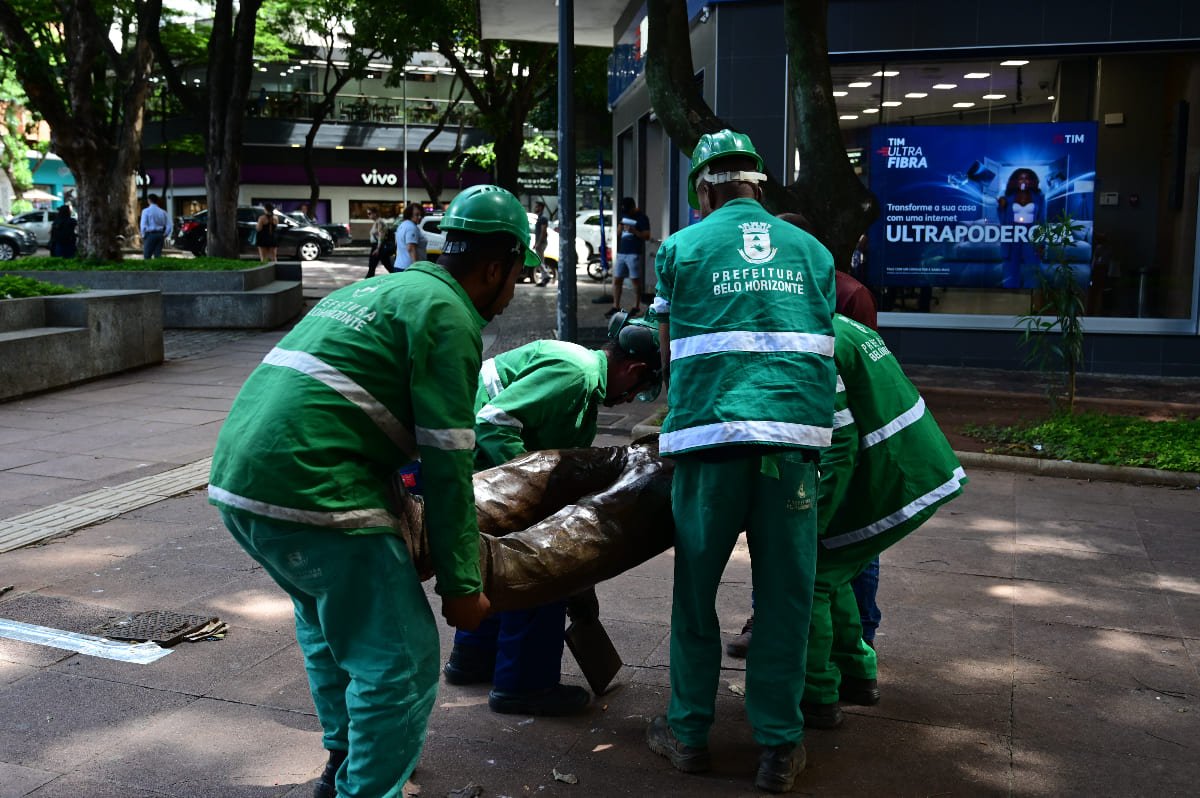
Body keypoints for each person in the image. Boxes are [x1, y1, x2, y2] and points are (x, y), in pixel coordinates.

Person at [208, 184, 538, 798]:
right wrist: (462, 586)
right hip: (315, 489)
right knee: (401, 662)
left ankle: (343, 764)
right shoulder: (448, 315)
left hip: (239, 479)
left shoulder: (379, 289)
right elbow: (447, 467)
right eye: (518, 275)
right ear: (498, 267)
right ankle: (363, 787)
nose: (515, 291)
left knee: (328, 626)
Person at [645, 129, 837, 794]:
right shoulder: (812, 251)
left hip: (711, 442)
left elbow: (668, 350)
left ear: (703, 190)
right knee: (785, 599)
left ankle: (689, 734)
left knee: (695, 595)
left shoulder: (682, 247)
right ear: (757, 182)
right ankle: (779, 748)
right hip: (791, 447)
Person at [442, 311, 663, 717]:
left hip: (468, 463)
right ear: (633, 370)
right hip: (470, 460)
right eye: (640, 389)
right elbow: (493, 423)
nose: (632, 400)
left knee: (494, 558)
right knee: (545, 565)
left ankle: (474, 658)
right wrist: (535, 498)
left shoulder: (583, 385)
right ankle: (524, 685)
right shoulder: (575, 372)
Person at [798, 314, 967, 729]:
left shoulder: (812, 340)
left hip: (893, 476)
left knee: (810, 577)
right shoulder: (839, 323)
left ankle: (816, 693)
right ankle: (856, 671)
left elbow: (840, 443)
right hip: (914, 465)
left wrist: (813, 523)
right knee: (833, 569)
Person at [726, 214, 881, 659]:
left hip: (840, 430)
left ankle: (857, 637)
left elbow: (858, 369)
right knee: (779, 536)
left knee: (849, 542)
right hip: (789, 433)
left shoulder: (849, 294)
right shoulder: (769, 286)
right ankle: (771, 621)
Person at [607, 196, 650, 318]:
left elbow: (647, 236)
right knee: (617, 279)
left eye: (628, 210)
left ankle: (636, 306)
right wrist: (620, 229)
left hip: (634, 252)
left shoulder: (642, 217)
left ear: (633, 207)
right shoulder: (624, 215)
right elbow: (618, 234)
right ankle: (616, 306)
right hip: (622, 252)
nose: (626, 212)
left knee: (635, 280)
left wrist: (634, 231)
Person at [394, 202, 427, 271]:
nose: (420, 217)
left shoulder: (402, 225)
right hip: (409, 268)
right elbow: (411, 248)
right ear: (409, 214)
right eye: (417, 214)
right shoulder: (411, 227)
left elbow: (397, 243)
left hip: (399, 265)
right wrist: (416, 267)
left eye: (421, 215)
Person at [139, 194, 172, 260]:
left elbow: (143, 224)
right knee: (158, 255)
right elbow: (169, 225)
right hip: (160, 234)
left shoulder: (146, 211)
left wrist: (143, 235)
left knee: (147, 255)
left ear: (149, 200)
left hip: (150, 234)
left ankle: (149, 267)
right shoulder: (163, 212)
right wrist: (165, 234)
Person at [365, 208, 392, 278]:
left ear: (375, 213)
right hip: (377, 246)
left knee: (372, 266)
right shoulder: (376, 222)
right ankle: (397, 276)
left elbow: (381, 236)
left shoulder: (380, 222)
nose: (368, 215)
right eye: (367, 214)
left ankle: (368, 280)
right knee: (386, 264)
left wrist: (377, 248)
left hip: (378, 247)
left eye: (369, 213)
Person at [532, 201, 552, 286]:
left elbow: (543, 232)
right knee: (540, 261)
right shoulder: (540, 218)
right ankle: (544, 279)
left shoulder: (543, 218)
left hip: (541, 243)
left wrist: (538, 243)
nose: (535, 208)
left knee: (539, 261)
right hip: (539, 243)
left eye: (537, 207)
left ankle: (546, 276)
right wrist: (536, 243)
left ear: (541, 208)